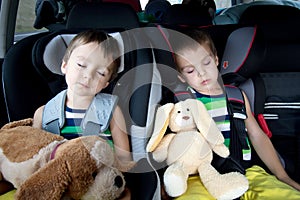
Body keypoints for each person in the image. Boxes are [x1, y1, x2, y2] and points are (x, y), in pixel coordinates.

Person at [168, 29, 300, 199]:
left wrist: (282, 176)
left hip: (246, 171)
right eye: (190, 70)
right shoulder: (182, 102)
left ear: (216, 59)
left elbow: (257, 136)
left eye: (206, 62)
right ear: (181, 77)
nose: (202, 73)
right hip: (200, 176)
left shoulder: (236, 96)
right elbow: (174, 144)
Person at [32, 29, 132, 199]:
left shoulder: (112, 111)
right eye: (81, 65)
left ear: (106, 83)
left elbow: (123, 157)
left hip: (99, 184)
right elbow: (35, 159)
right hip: (59, 183)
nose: (88, 76)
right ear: (64, 65)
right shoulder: (44, 114)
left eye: (100, 73)